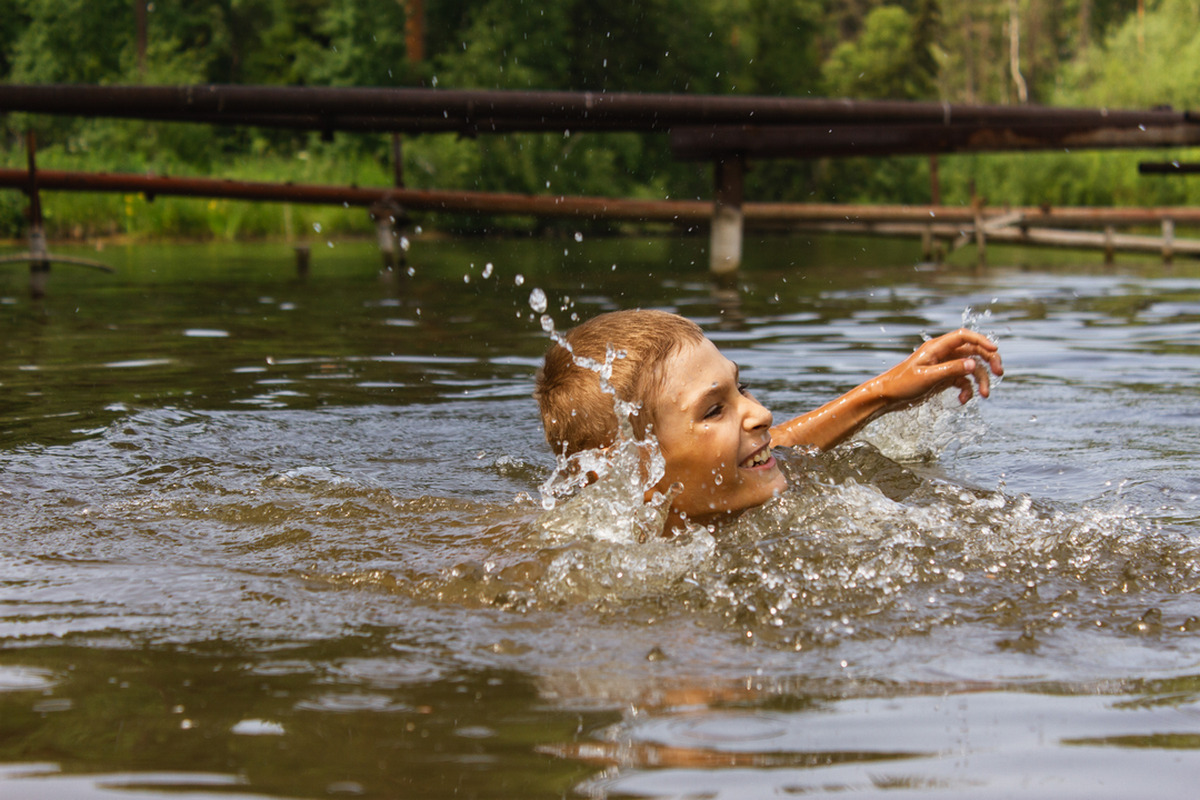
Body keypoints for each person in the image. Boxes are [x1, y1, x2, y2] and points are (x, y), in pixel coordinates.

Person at [534, 309, 1003, 534]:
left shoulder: (712, 474)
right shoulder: (586, 564)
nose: (761, 414)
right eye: (714, 409)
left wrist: (883, 391)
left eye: (742, 388)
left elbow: (780, 442)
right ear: (621, 472)